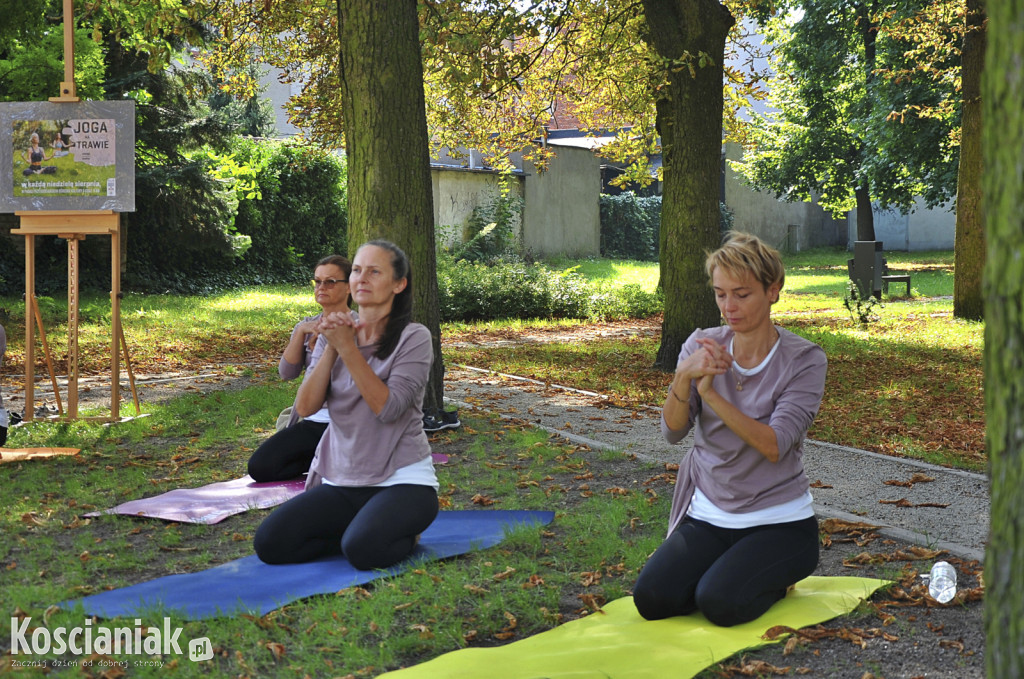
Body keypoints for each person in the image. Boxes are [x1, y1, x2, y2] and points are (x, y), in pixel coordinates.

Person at [632, 232, 827, 627]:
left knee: (719, 603)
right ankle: (725, 571)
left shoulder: (804, 359)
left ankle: (778, 579)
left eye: (741, 294)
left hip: (780, 523)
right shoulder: (701, 345)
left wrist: (712, 395)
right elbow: (672, 432)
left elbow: (774, 445)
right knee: (652, 598)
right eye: (721, 295)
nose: (728, 308)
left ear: (773, 291)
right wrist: (683, 378)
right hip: (709, 513)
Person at [254, 240, 439, 570]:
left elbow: (389, 409)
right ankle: (359, 531)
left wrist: (348, 349)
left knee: (363, 552)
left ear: (399, 284)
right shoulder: (333, 336)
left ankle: (399, 534)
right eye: (356, 270)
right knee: (270, 543)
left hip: (403, 481)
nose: (362, 278)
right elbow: (307, 407)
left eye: (374, 271)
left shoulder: (414, 337)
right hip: (343, 482)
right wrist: (333, 347)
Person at [246, 255, 352, 482]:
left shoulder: (359, 327)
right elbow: (287, 373)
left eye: (330, 282)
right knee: (260, 467)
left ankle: (334, 458)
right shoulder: (308, 325)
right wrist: (300, 331)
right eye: (318, 281)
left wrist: (329, 348)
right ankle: (320, 459)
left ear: (349, 287)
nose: (322, 287)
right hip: (315, 420)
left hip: (349, 421)